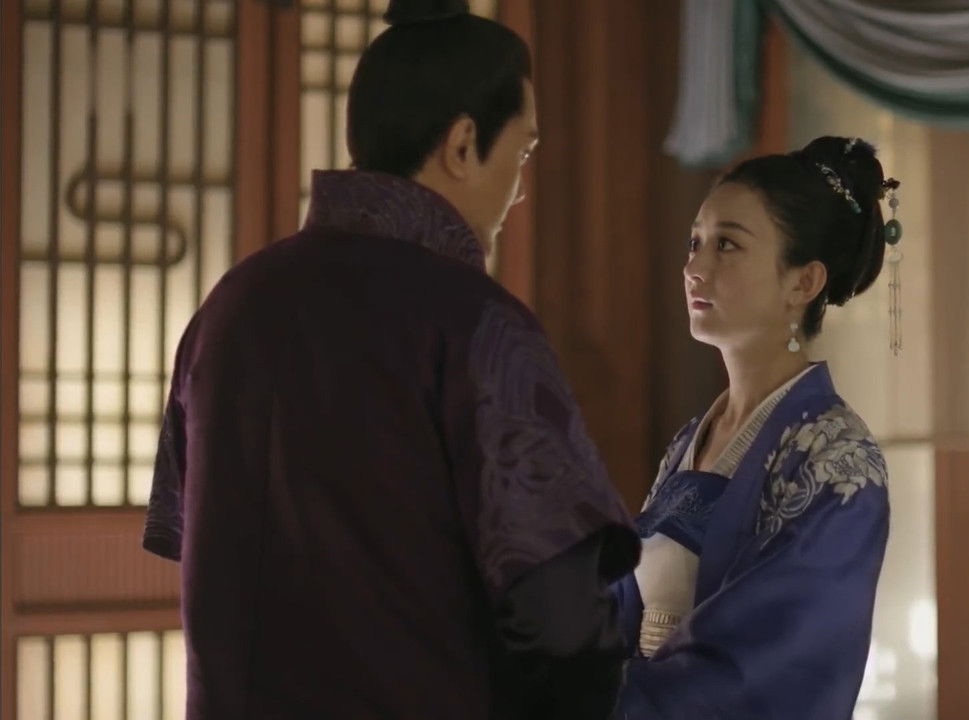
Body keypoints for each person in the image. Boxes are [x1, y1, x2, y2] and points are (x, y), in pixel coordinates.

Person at [142, 1, 639, 717]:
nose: (520, 187)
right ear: (463, 144)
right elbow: (561, 617)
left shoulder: (231, 307)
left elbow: (197, 543)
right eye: (522, 152)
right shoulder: (477, 324)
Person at [613, 137, 894, 719]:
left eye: (727, 245)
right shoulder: (691, 440)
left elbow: (765, 664)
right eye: (695, 243)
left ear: (803, 283)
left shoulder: (838, 460)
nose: (694, 268)